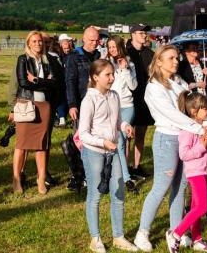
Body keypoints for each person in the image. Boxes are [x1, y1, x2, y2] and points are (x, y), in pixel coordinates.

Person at [133, 45, 207, 252]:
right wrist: (199, 128)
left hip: (184, 137)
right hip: (167, 139)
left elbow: (190, 107)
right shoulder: (153, 87)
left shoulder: (178, 82)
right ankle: (142, 233)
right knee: (162, 186)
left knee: (181, 187)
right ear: (159, 61)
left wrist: (204, 123)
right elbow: (173, 114)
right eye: (170, 58)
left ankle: (176, 231)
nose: (176, 61)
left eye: (176, 58)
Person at [78, 59, 137, 253]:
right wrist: (103, 142)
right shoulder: (89, 100)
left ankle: (118, 236)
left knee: (118, 193)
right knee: (95, 195)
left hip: (112, 151)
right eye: (108, 75)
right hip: (94, 152)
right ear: (95, 77)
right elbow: (83, 133)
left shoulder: (114, 96)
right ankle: (96, 239)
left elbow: (118, 120)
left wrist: (124, 126)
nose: (112, 78)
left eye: (113, 74)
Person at [168, 91, 207, 253]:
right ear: (195, 111)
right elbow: (184, 154)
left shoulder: (203, 128)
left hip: (205, 169)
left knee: (197, 205)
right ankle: (175, 235)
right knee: (202, 207)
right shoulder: (187, 131)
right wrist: (202, 146)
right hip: (195, 172)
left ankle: (197, 239)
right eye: (206, 108)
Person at [10, 31, 55, 194]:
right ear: (28, 43)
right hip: (26, 105)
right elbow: (23, 82)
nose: (38, 44)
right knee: (21, 144)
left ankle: (41, 179)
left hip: (44, 106)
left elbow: (54, 83)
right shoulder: (22, 59)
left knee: (41, 145)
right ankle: (16, 179)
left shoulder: (47, 61)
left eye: (40, 41)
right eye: (34, 41)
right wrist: (45, 82)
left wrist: (36, 80)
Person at [64, 27, 102, 190]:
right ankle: (79, 173)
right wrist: (72, 104)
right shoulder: (74, 57)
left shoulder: (100, 56)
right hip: (81, 104)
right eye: (92, 40)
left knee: (96, 139)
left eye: (97, 40)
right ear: (84, 39)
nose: (95, 43)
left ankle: (96, 172)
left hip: (99, 104)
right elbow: (70, 81)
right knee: (80, 139)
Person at [107, 35, 138, 193]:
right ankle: (116, 174)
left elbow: (133, 86)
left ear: (120, 47)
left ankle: (126, 178)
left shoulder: (129, 63)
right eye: (109, 47)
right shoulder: (107, 64)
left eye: (114, 46)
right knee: (115, 142)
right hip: (112, 106)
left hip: (126, 107)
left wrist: (125, 69)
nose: (112, 50)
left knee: (120, 141)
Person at [126, 24, 155, 181]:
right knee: (127, 136)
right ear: (133, 35)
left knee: (141, 134)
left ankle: (136, 166)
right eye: (141, 32)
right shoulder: (126, 52)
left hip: (145, 99)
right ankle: (125, 168)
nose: (144, 35)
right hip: (129, 99)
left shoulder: (150, 53)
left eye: (145, 32)